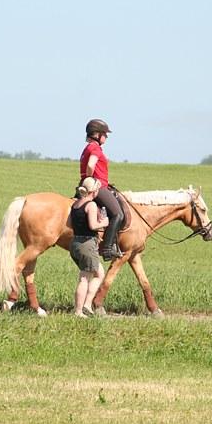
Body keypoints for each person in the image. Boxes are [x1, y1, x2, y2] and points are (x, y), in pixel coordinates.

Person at [79, 118, 125, 260]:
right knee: (118, 214)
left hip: (96, 184)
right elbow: (91, 165)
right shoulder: (95, 148)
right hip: (97, 187)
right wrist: (91, 180)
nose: (106, 137)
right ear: (97, 134)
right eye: (105, 134)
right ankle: (107, 249)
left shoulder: (87, 147)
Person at [68, 177, 109, 317]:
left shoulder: (75, 204)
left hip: (75, 243)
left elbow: (69, 224)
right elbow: (93, 225)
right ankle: (79, 311)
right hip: (87, 244)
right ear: (94, 191)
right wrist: (104, 222)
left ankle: (86, 305)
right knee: (84, 278)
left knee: (99, 274)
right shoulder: (90, 205)